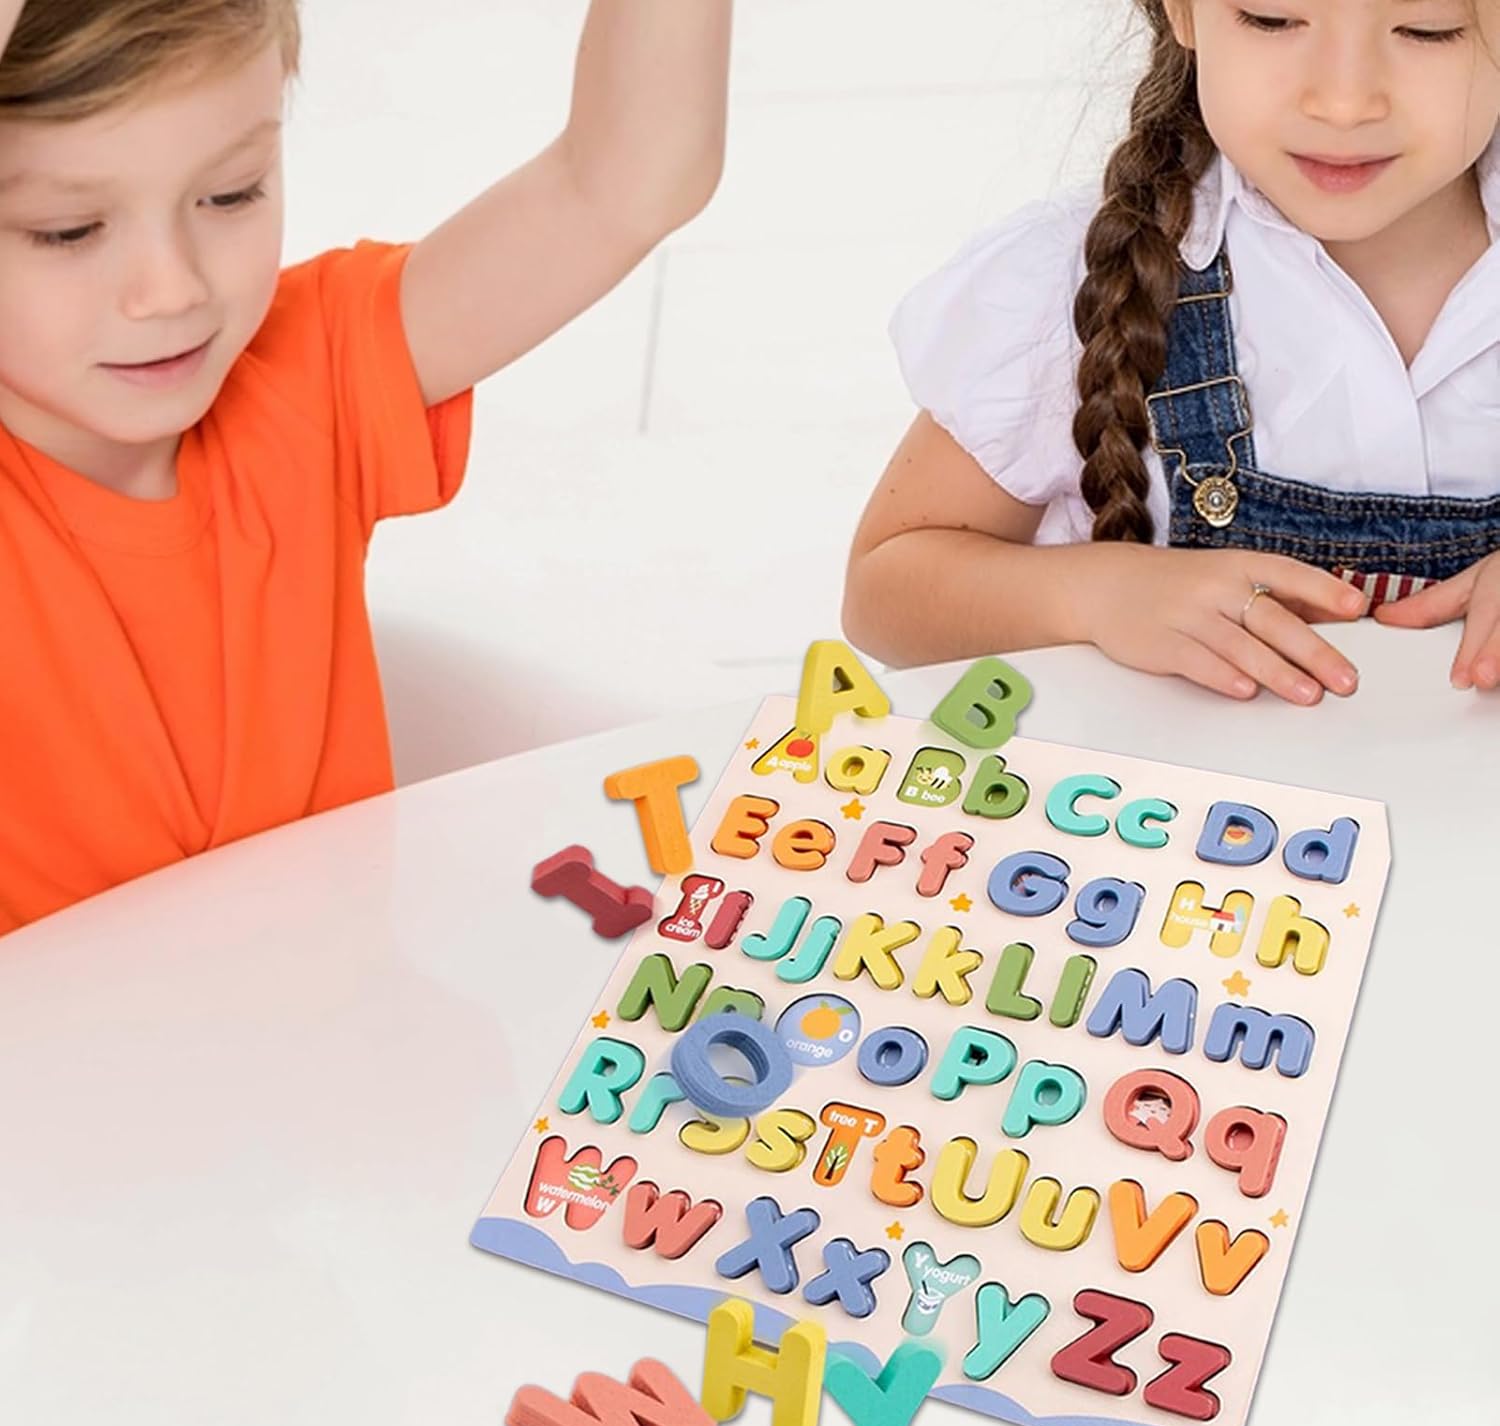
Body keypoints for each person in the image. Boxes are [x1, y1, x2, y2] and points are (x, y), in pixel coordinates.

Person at [0, 0, 732, 938]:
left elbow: (627, 179)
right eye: (68, 231)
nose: (172, 289)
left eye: (231, 194)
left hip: (354, 1027)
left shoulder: (310, 374)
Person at [844, 0, 1500, 705]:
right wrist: (1095, 593)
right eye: (1271, 20)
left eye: (1427, 30)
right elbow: (882, 592)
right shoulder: (1073, 281)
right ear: (1181, 12)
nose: (1343, 103)